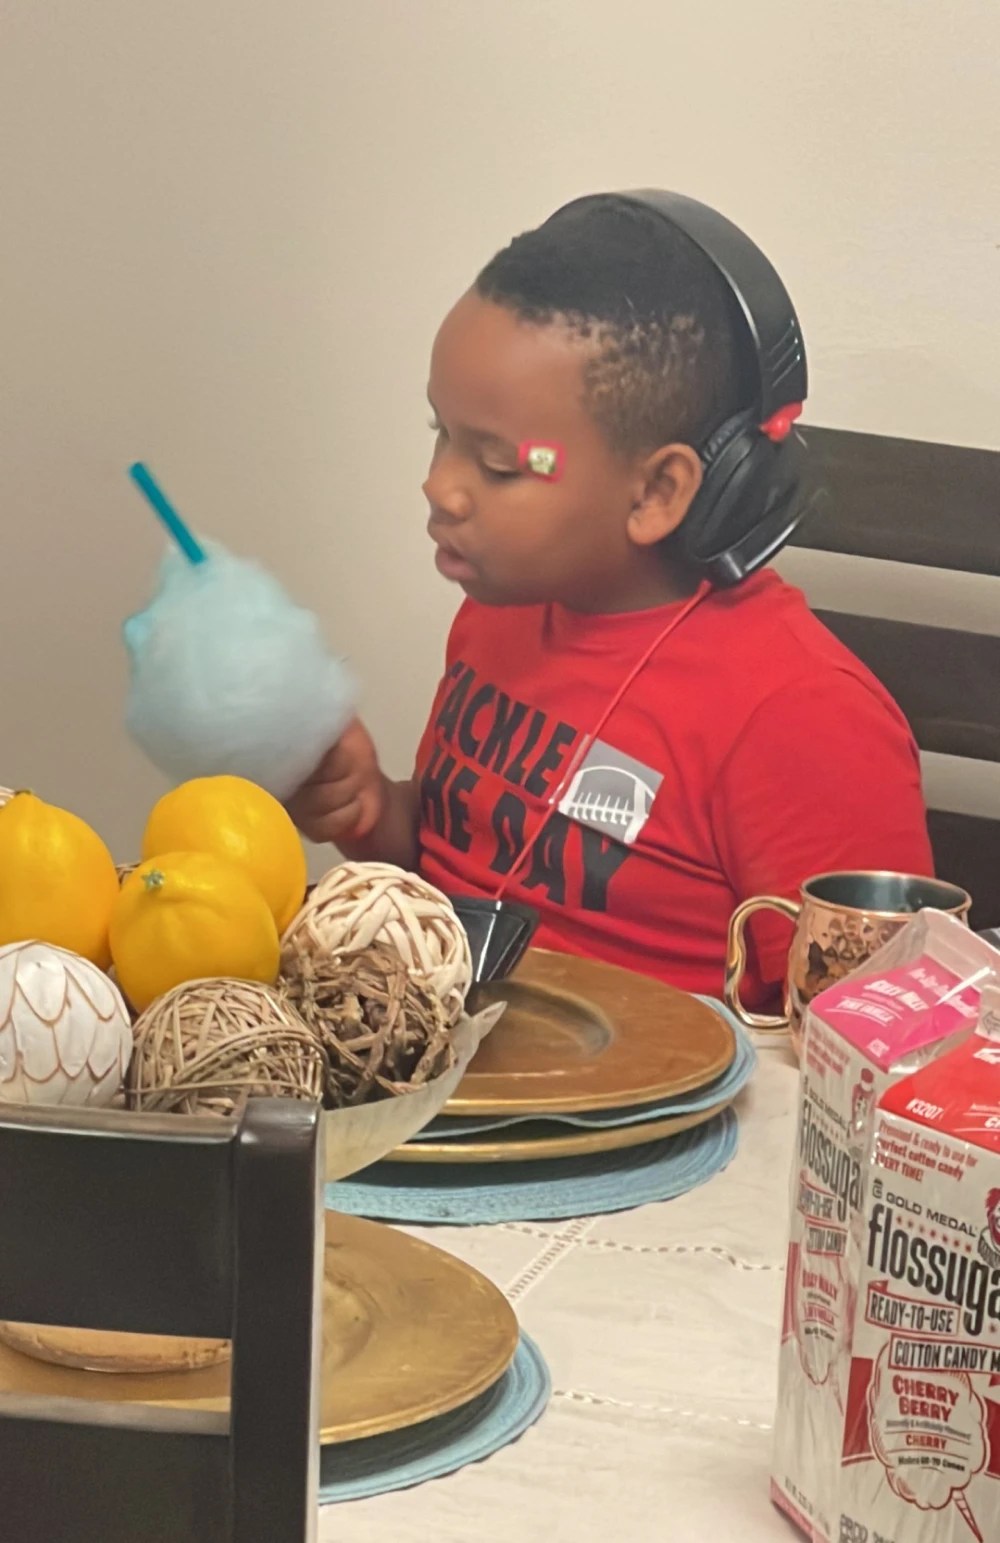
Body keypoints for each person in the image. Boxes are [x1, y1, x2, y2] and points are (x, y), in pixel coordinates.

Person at [288, 193, 932, 1006]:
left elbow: (882, 1037)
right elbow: (461, 884)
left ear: (657, 491)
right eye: (440, 433)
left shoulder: (802, 717)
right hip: (450, 1057)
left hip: (667, 1090)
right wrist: (371, 809)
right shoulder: (502, 606)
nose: (440, 486)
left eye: (499, 464)